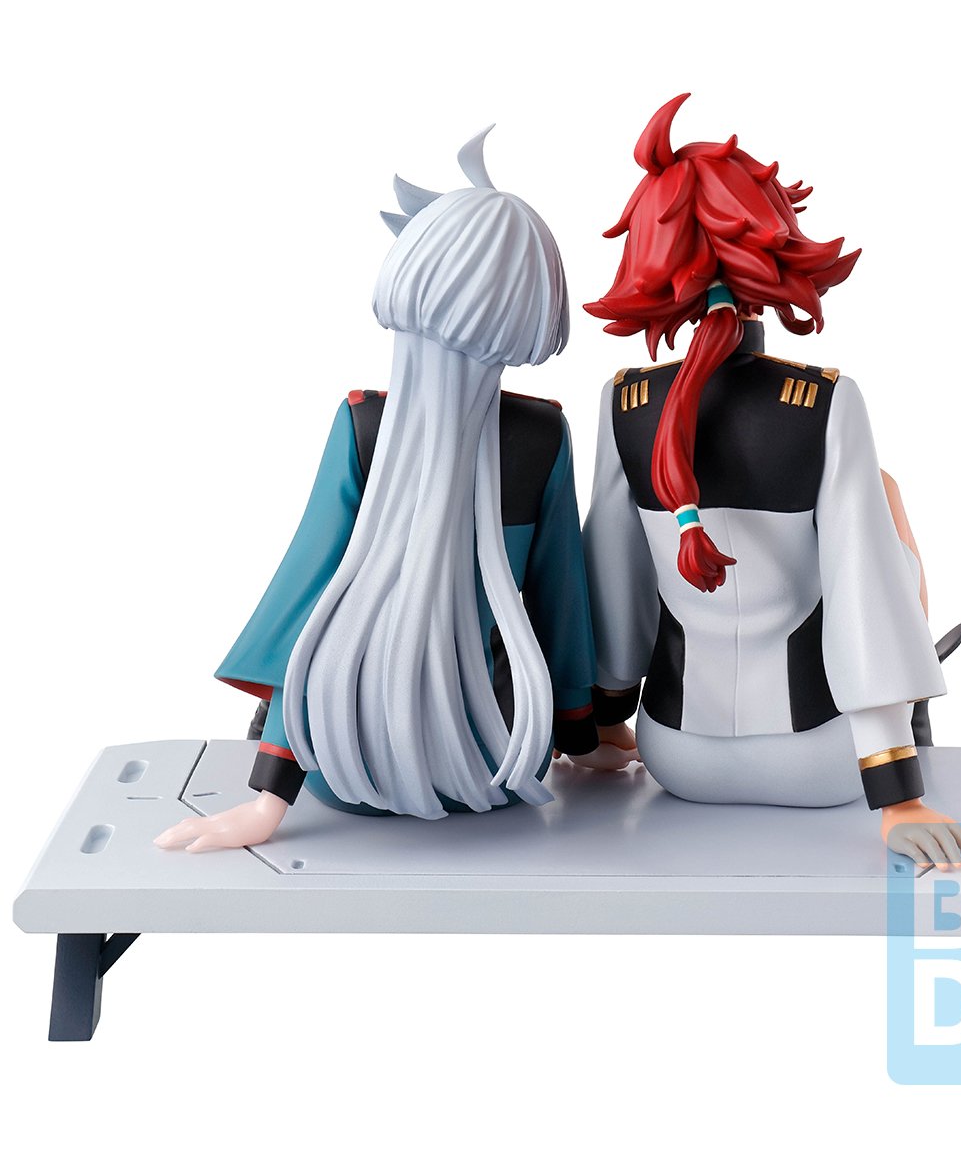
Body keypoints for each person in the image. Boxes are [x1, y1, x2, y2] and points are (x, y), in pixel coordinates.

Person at [157, 129, 632, 854]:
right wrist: (579, 734)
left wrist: (268, 797)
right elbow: (558, 601)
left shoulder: (365, 425)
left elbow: (314, 608)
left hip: (346, 767)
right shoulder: (543, 435)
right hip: (499, 763)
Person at [581, 94, 961, 871]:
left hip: (674, 756)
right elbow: (866, 593)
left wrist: (599, 727)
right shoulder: (824, 401)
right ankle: (912, 715)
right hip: (821, 761)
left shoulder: (625, 401)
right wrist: (898, 796)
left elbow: (612, 587)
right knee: (880, 506)